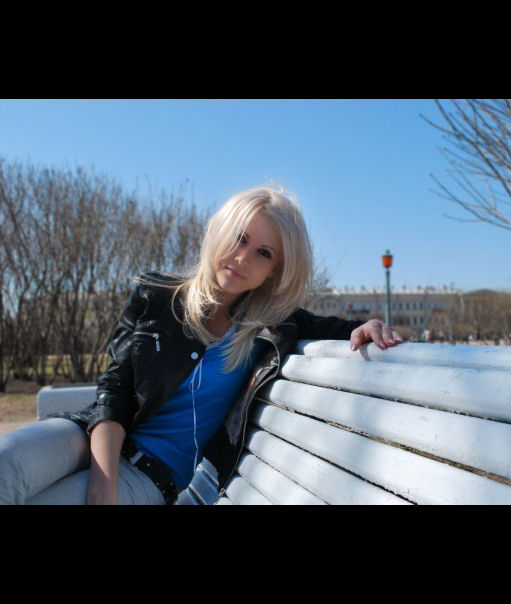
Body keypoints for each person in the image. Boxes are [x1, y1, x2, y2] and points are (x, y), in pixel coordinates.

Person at [0, 185, 402, 505]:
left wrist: (368, 325)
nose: (242, 258)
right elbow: (115, 390)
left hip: (152, 475)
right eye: (239, 238)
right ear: (220, 231)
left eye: (262, 253)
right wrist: (103, 486)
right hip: (92, 436)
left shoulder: (273, 325)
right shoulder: (155, 296)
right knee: (6, 461)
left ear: (273, 271)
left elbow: (341, 327)